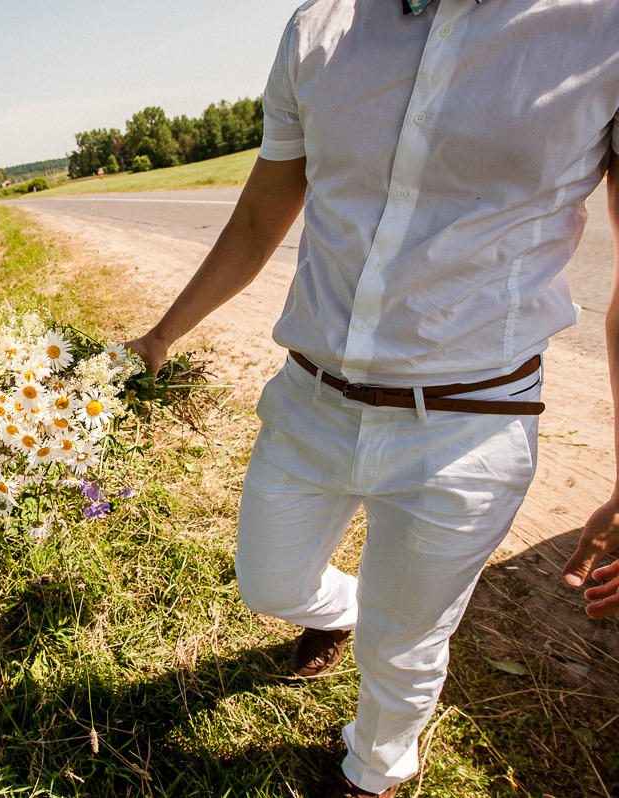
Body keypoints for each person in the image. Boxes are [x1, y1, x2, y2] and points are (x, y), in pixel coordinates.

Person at [123, 0, 619, 795]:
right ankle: (341, 606)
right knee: (269, 582)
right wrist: (160, 335)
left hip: (467, 424)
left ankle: (375, 766)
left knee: (403, 641)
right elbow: (257, 219)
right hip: (310, 401)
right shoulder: (317, 28)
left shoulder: (603, 29)